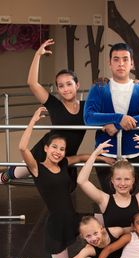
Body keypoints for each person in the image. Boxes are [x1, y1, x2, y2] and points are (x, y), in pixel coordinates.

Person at [18, 106, 113, 258]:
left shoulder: (63, 163)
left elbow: (81, 157)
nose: (58, 152)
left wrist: (102, 158)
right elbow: (22, 148)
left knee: (112, 218)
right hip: (57, 225)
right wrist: (33, 121)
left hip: (74, 218)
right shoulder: (36, 168)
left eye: (62, 149)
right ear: (46, 148)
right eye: (54, 147)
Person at [0, 38, 86, 190]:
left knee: (68, 188)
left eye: (69, 84)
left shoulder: (87, 107)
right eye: (61, 86)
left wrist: (135, 84)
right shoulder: (54, 104)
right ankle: (4, 175)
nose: (65, 89)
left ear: (77, 85)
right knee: (17, 173)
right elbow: (33, 84)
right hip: (45, 151)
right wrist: (38, 55)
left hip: (66, 157)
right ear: (57, 89)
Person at [84, 42, 139, 193]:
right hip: (105, 155)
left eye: (125, 59)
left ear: (132, 63)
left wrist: (117, 125)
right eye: (116, 59)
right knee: (108, 200)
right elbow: (88, 117)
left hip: (135, 153)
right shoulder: (99, 87)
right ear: (110, 63)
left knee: (133, 202)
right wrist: (119, 118)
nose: (121, 63)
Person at [77, 133, 139, 228]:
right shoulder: (104, 200)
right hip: (112, 242)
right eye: (118, 179)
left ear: (133, 180)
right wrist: (94, 154)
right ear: (112, 180)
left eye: (127, 179)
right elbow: (82, 181)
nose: (122, 184)